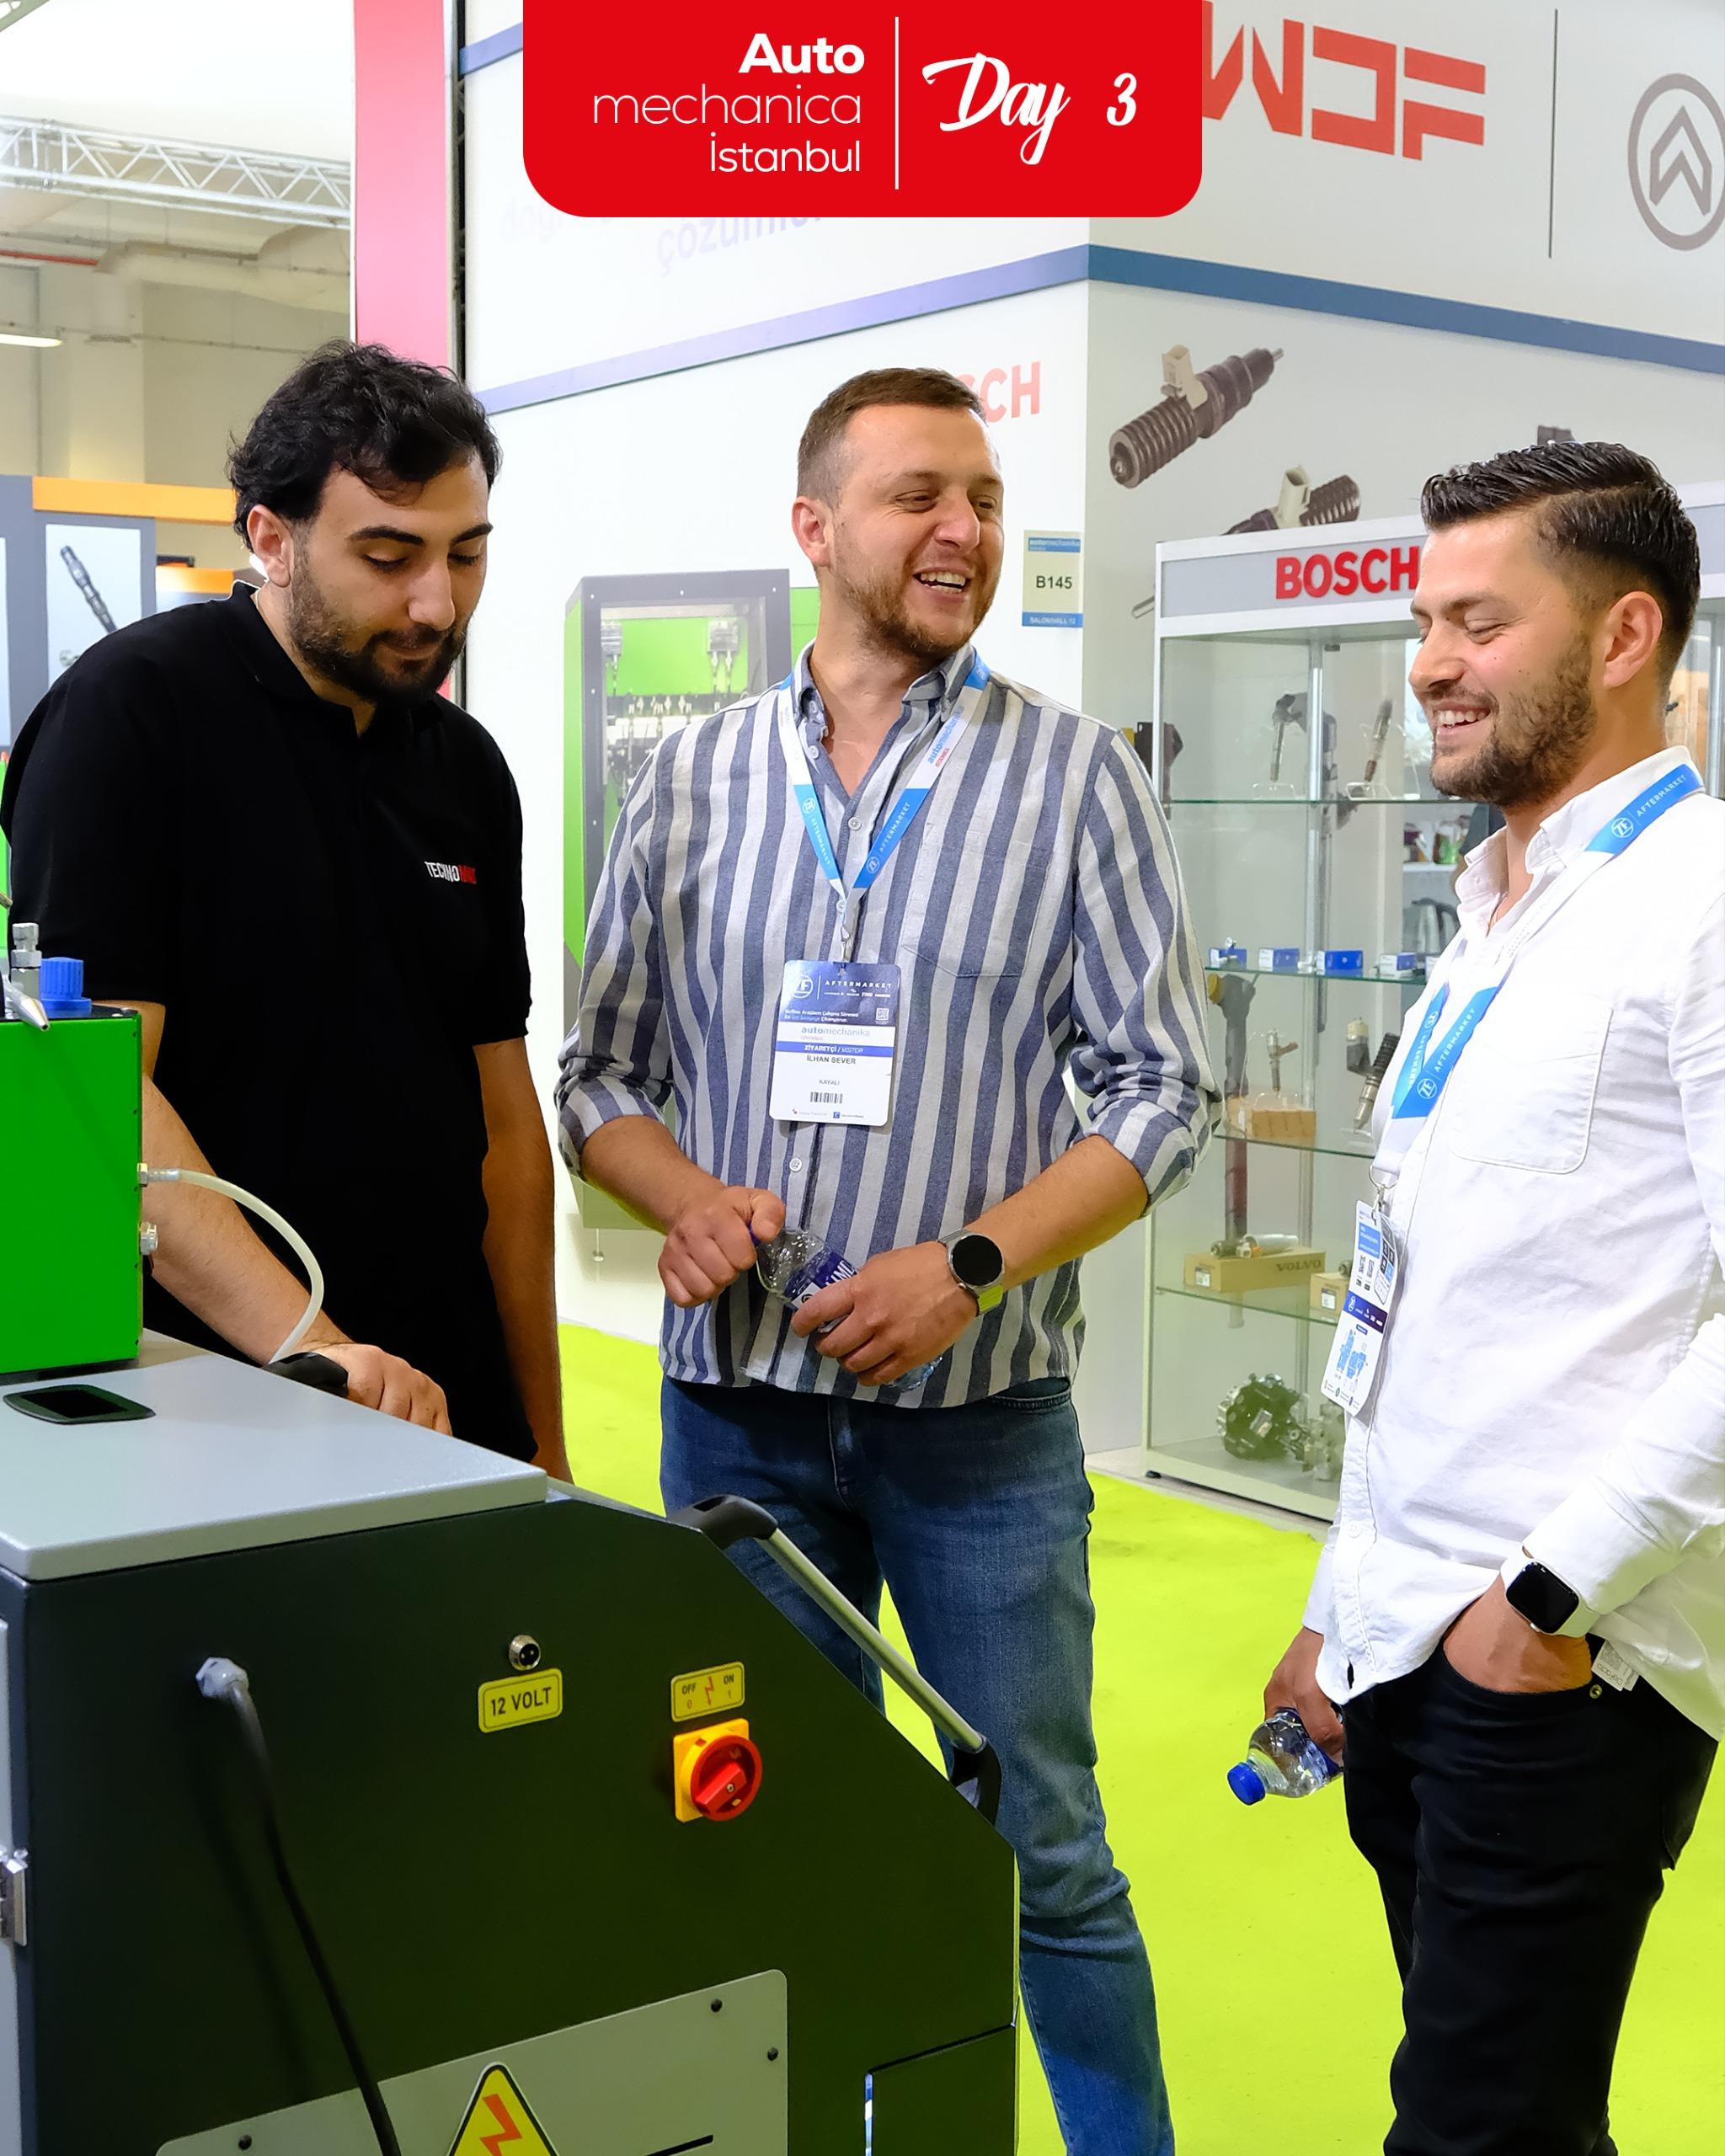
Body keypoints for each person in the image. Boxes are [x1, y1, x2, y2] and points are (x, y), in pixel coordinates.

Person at [558, 366, 1216, 2155]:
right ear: (814, 527)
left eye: (983, 499)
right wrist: (685, 1201)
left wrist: (972, 1261)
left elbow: (1164, 1088)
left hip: (979, 1435)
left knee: (1041, 1843)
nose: (963, 530)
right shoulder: (691, 778)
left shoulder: (1076, 780)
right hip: (738, 1426)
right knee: (774, 1831)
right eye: (920, 494)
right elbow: (598, 1075)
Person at [1264, 441, 1721, 2156]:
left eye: (1477, 621)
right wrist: (1342, 1601)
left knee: (1471, 2130)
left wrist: (1544, 1597)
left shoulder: (1700, 903)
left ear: (1623, 635)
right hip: (1412, 1633)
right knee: (1507, 2120)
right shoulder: (1493, 913)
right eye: (1422, 622)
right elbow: (1429, 1297)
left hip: (1563, 1657)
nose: (1430, 663)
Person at [2, 341, 567, 1473]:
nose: (436, 601)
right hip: (215, 1389)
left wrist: (543, 1445)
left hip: (442, 1383)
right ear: (270, 538)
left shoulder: (463, 767)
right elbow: (107, 1100)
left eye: (466, 554)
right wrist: (318, 1350)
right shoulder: (132, 714)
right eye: (387, 556)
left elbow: (505, 1134)